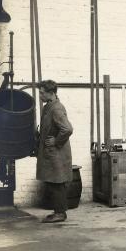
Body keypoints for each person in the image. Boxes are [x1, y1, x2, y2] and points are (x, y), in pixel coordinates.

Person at [36, 80, 74, 224]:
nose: (40, 95)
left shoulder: (56, 108)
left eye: (42, 92)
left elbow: (68, 129)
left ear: (51, 93)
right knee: (53, 182)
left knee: (57, 182)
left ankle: (60, 214)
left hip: (56, 153)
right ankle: (58, 211)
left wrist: (56, 141)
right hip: (51, 153)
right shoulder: (48, 107)